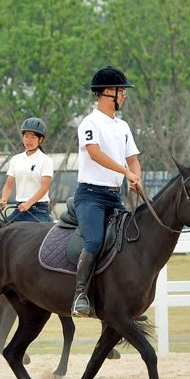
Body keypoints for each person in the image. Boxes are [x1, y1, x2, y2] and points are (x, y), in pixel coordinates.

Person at [71, 66, 142, 317]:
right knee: (94, 240)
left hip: (114, 196)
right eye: (122, 91)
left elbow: (133, 160)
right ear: (108, 92)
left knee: (129, 241)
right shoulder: (90, 123)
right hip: (90, 196)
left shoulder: (123, 126)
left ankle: (124, 299)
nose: (124, 95)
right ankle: (80, 295)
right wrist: (125, 172)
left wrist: (136, 177)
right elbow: (94, 153)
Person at [0, 117, 54, 223]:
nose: (28, 140)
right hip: (20, 209)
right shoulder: (16, 159)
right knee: (1, 229)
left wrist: (28, 203)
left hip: (39, 210)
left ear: (40, 139)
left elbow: (44, 188)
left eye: (33, 137)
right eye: (26, 136)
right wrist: (4, 198)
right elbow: (9, 185)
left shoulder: (46, 160)